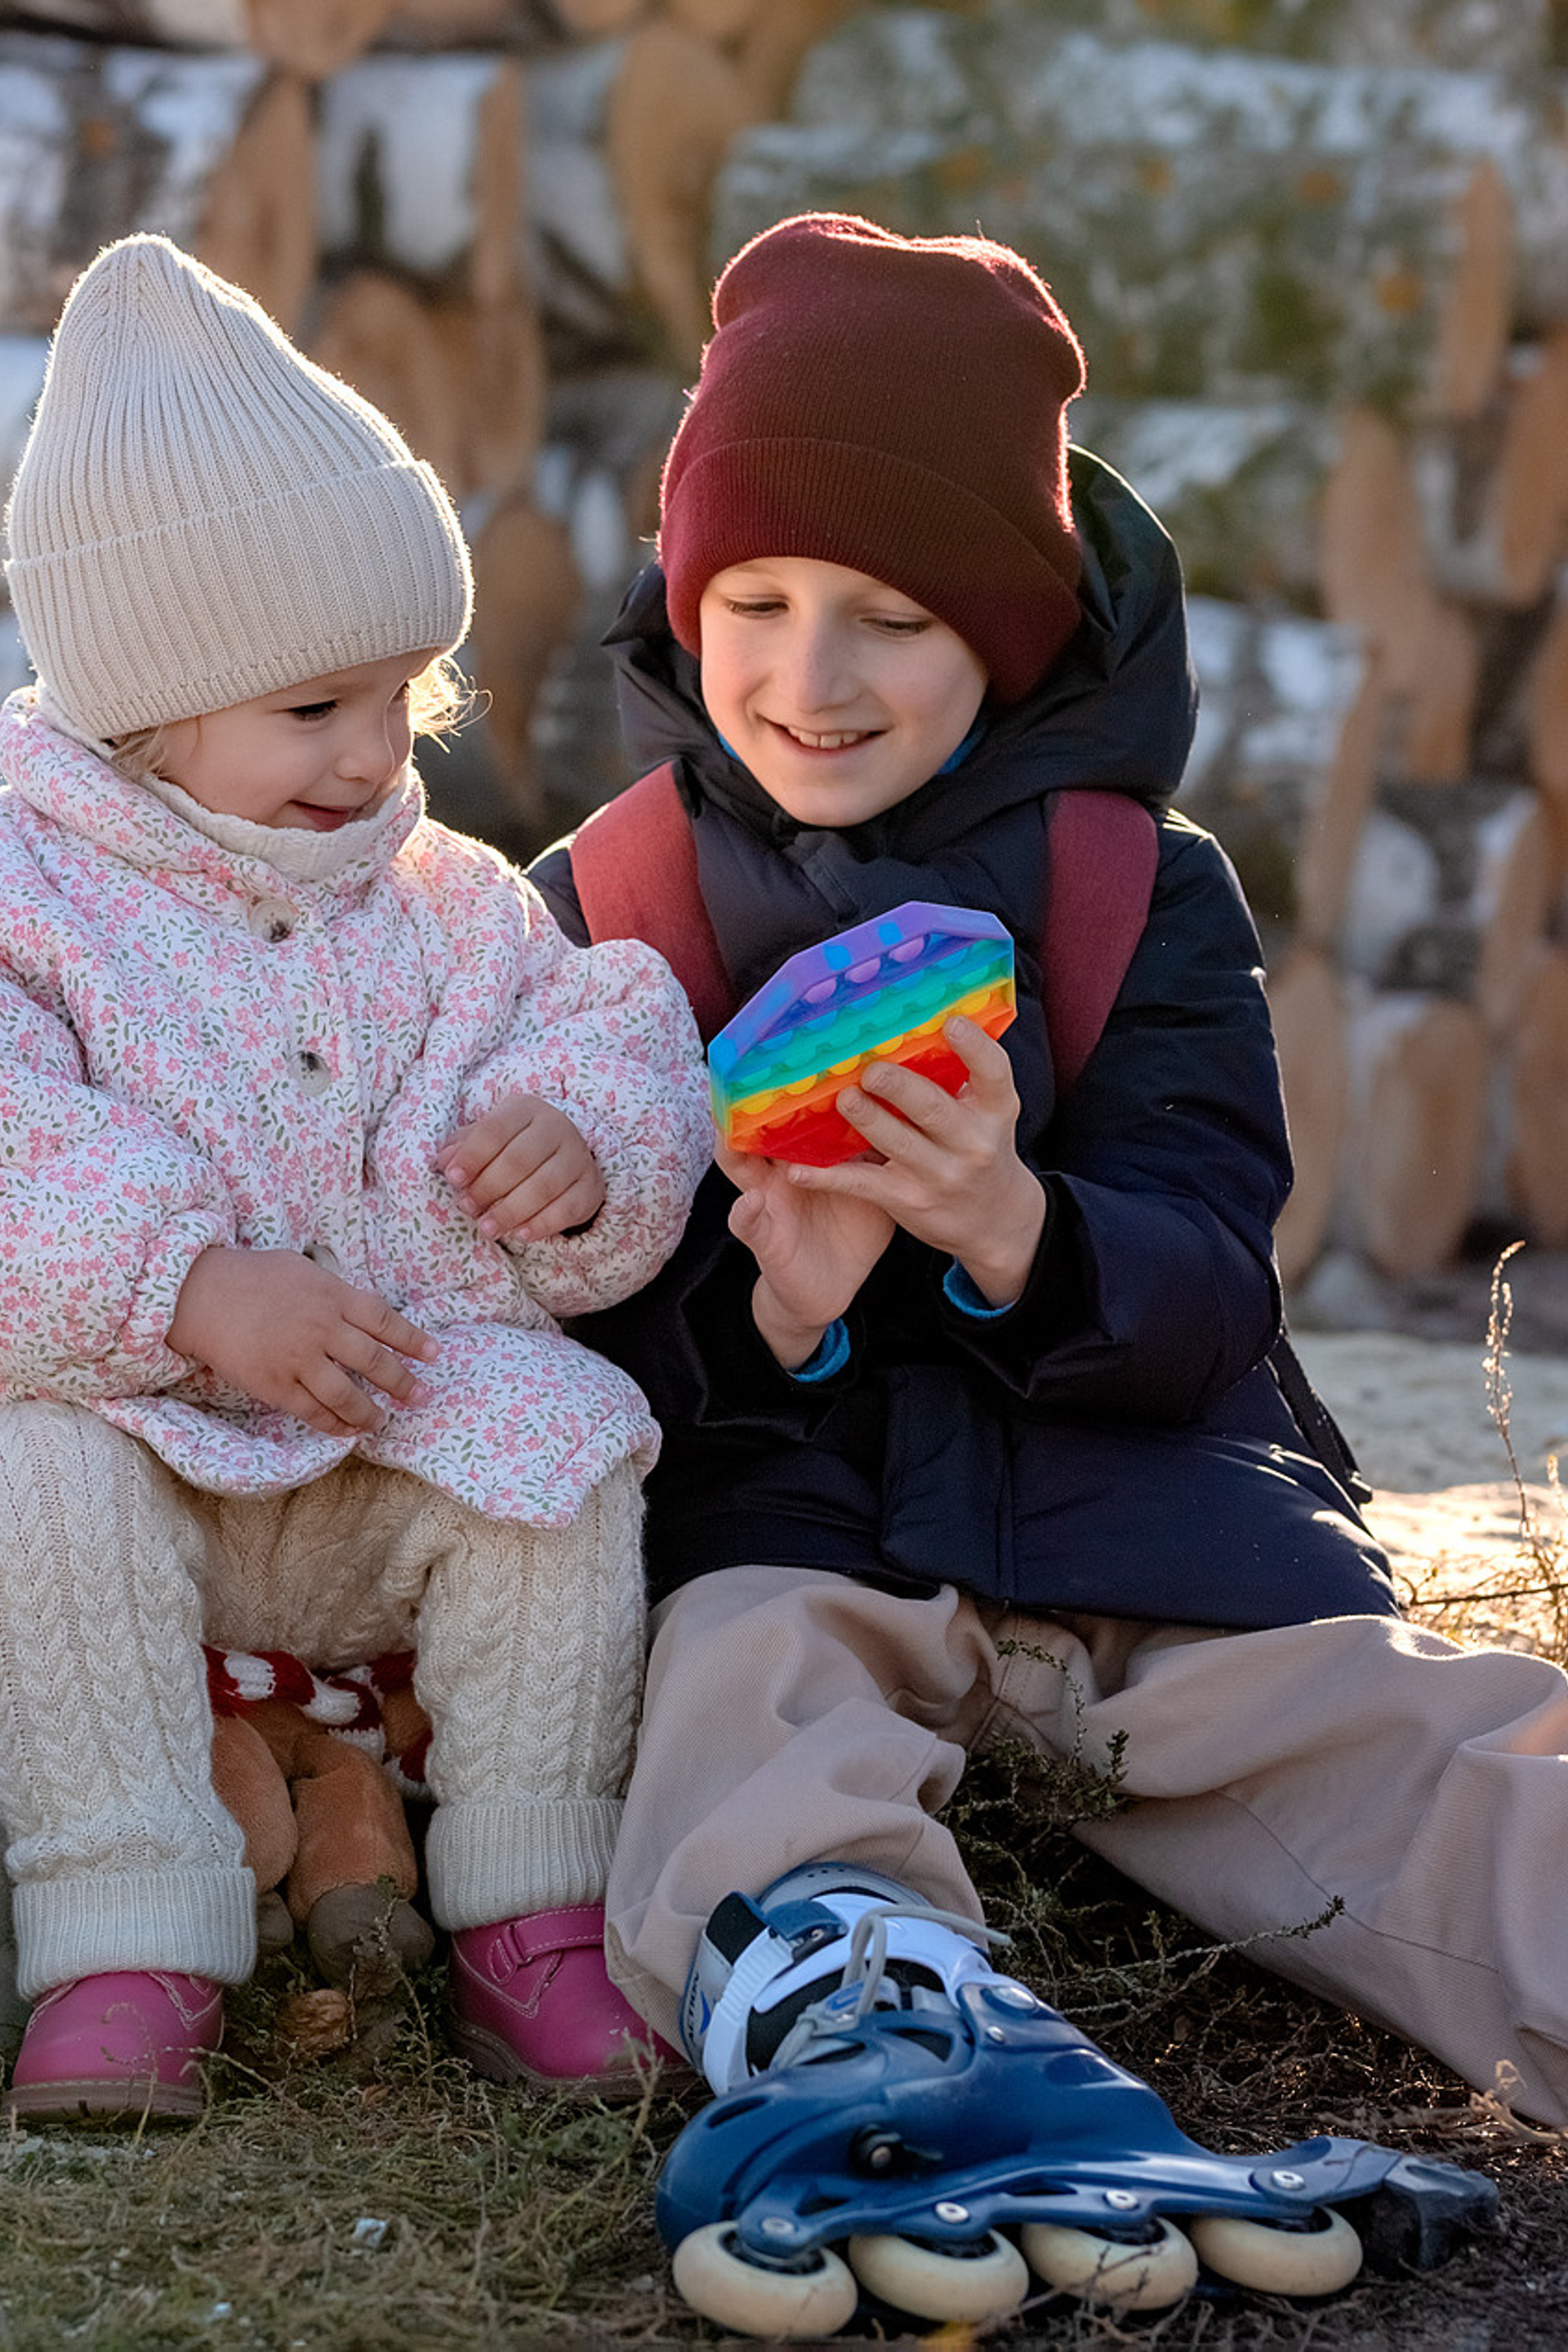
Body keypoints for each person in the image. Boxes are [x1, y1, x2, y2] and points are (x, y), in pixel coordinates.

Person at [526, 211, 1568, 2142]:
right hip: (792, 1530)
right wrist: (773, 1308)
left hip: (1151, 1544)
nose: (810, 673)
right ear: (683, 599)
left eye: (895, 619)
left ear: (1000, 629)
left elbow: (1213, 1277)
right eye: (753, 600)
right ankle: (871, 2029)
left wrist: (1020, 1230)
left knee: (1421, 1749)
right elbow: (541, 1351)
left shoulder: (1133, 891)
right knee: (744, 1714)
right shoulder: (593, 922)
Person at [0, 233, 712, 2123]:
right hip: (143, 1427)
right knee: (32, 1473)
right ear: (142, 701)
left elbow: (606, 1030)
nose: (372, 753)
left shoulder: (446, 904)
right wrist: (183, 1287)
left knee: (562, 1451)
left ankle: (531, 1906)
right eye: (311, 708)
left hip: (399, 1422)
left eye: (403, 694)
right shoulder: (29, 889)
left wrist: (586, 1148)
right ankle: (127, 1920)